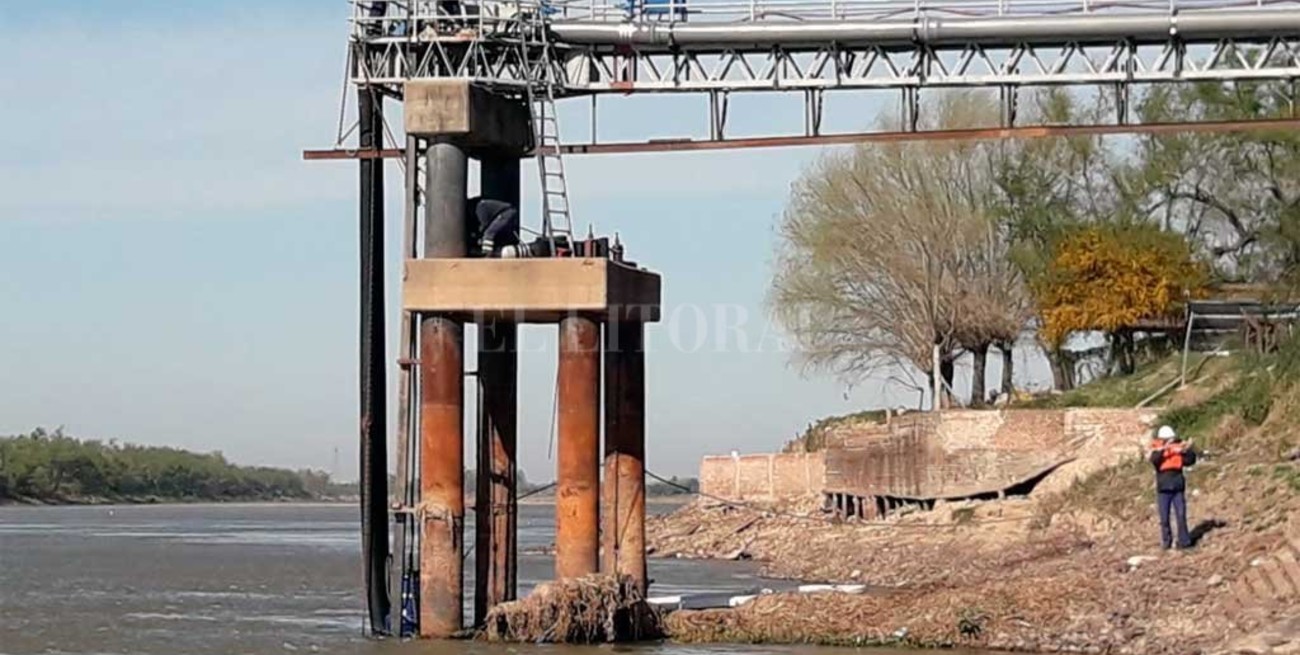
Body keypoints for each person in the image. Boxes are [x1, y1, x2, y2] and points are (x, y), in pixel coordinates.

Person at [1149, 425, 1198, 550]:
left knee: (1181, 515)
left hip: (1177, 487)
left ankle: (1184, 542)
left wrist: (1186, 450)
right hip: (1163, 489)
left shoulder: (1179, 449)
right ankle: (1166, 542)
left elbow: (1190, 460)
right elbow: (1154, 460)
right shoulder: (1157, 451)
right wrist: (1165, 449)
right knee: (1164, 518)